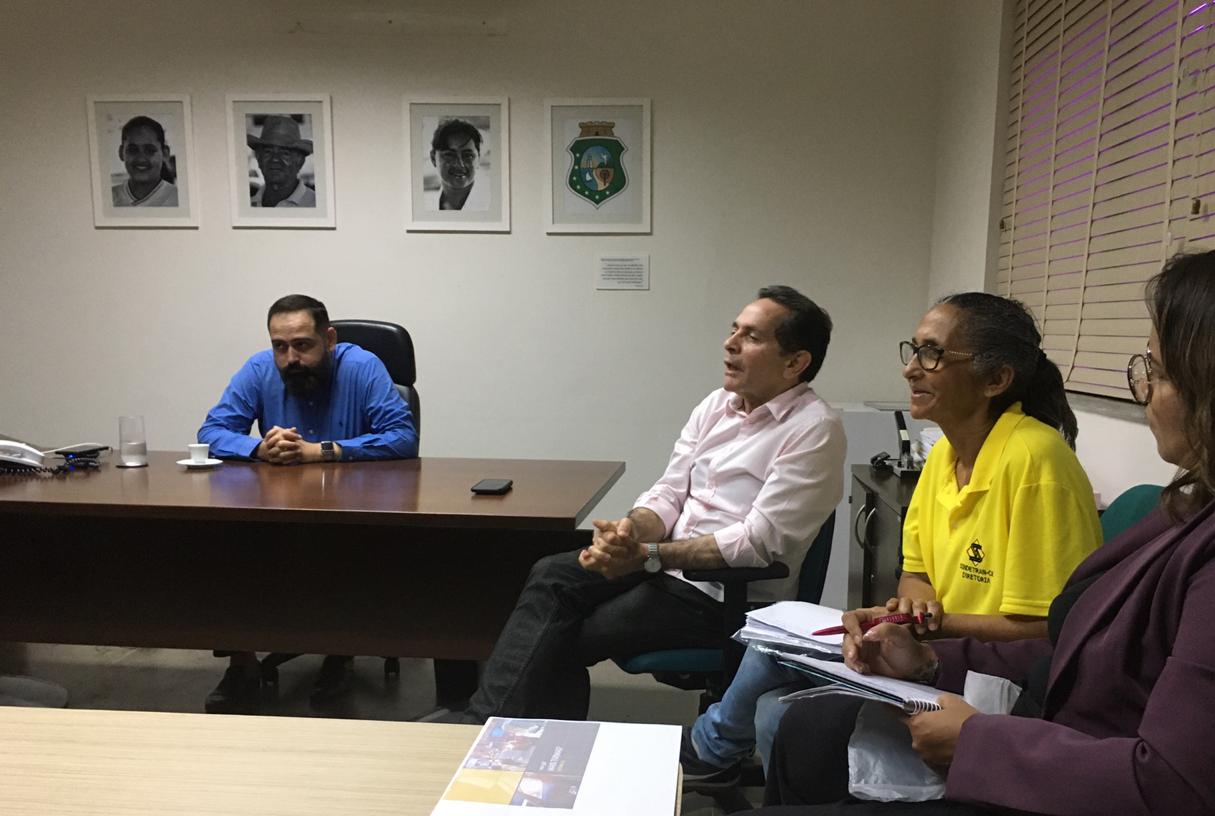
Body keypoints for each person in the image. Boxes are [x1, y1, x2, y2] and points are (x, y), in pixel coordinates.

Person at [669, 236, 1215, 816]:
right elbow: (1069, 648)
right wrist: (929, 663)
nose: (1146, 390)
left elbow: (1177, 792)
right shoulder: (1202, 506)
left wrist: (978, 742)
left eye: (1160, 370)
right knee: (805, 735)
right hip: (1046, 774)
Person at [681, 292, 1102, 787]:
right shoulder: (944, 456)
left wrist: (922, 625)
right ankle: (716, 755)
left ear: (996, 380)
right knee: (773, 650)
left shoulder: (1035, 461)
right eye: (914, 349)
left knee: (779, 708)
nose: (910, 369)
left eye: (933, 354)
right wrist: (910, 610)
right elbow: (916, 574)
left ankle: (710, 754)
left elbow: (1048, 632)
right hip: (931, 652)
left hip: (989, 682)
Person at [435, 285, 847, 723]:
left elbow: (757, 544)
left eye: (752, 336)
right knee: (552, 574)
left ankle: (485, 729)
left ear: (795, 363)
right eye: (734, 330)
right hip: (662, 568)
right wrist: (628, 532)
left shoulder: (814, 430)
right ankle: (501, 730)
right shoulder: (716, 405)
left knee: (559, 636)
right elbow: (669, 492)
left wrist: (647, 555)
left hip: (722, 595)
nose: (730, 343)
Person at [198, 294, 417, 712]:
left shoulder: (362, 367)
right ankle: (242, 663)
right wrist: (258, 448)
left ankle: (339, 653)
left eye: (302, 345)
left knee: (337, 551)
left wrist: (323, 451)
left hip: (352, 510)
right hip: (280, 510)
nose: (290, 359)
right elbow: (211, 432)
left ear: (329, 339)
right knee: (227, 541)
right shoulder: (259, 369)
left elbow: (403, 438)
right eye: (280, 347)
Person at [248, 115, 315, 208]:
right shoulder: (248, 204)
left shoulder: (315, 204)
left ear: (299, 161)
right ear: (259, 158)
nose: (275, 159)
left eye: (285, 153)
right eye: (268, 152)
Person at [110, 115, 178, 207]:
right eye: (133, 150)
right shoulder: (108, 198)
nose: (141, 158)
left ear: (165, 154)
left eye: (150, 150)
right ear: (121, 153)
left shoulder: (179, 199)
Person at [426, 118, 487, 211]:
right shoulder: (425, 204)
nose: (460, 165)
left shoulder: (492, 203)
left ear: (478, 158)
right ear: (433, 158)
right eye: (449, 155)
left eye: (468, 155)